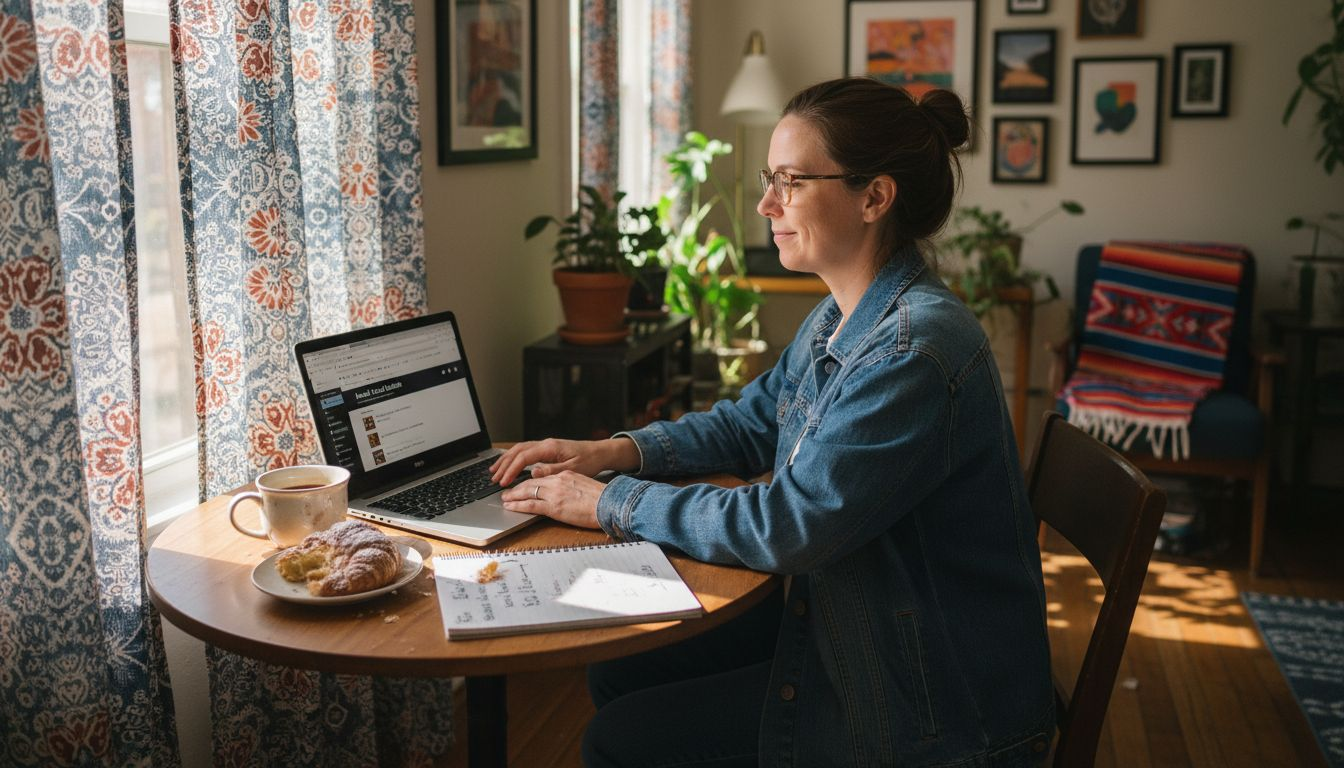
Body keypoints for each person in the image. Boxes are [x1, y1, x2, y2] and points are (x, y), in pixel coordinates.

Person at [491, 77, 1054, 767]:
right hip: (860, 629)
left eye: (790, 181)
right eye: (769, 179)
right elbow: (747, 424)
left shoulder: (911, 351)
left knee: (615, 741)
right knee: (617, 672)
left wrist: (609, 503)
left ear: (874, 197)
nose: (765, 204)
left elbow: (790, 525)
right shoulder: (845, 314)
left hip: (929, 708)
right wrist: (608, 453)